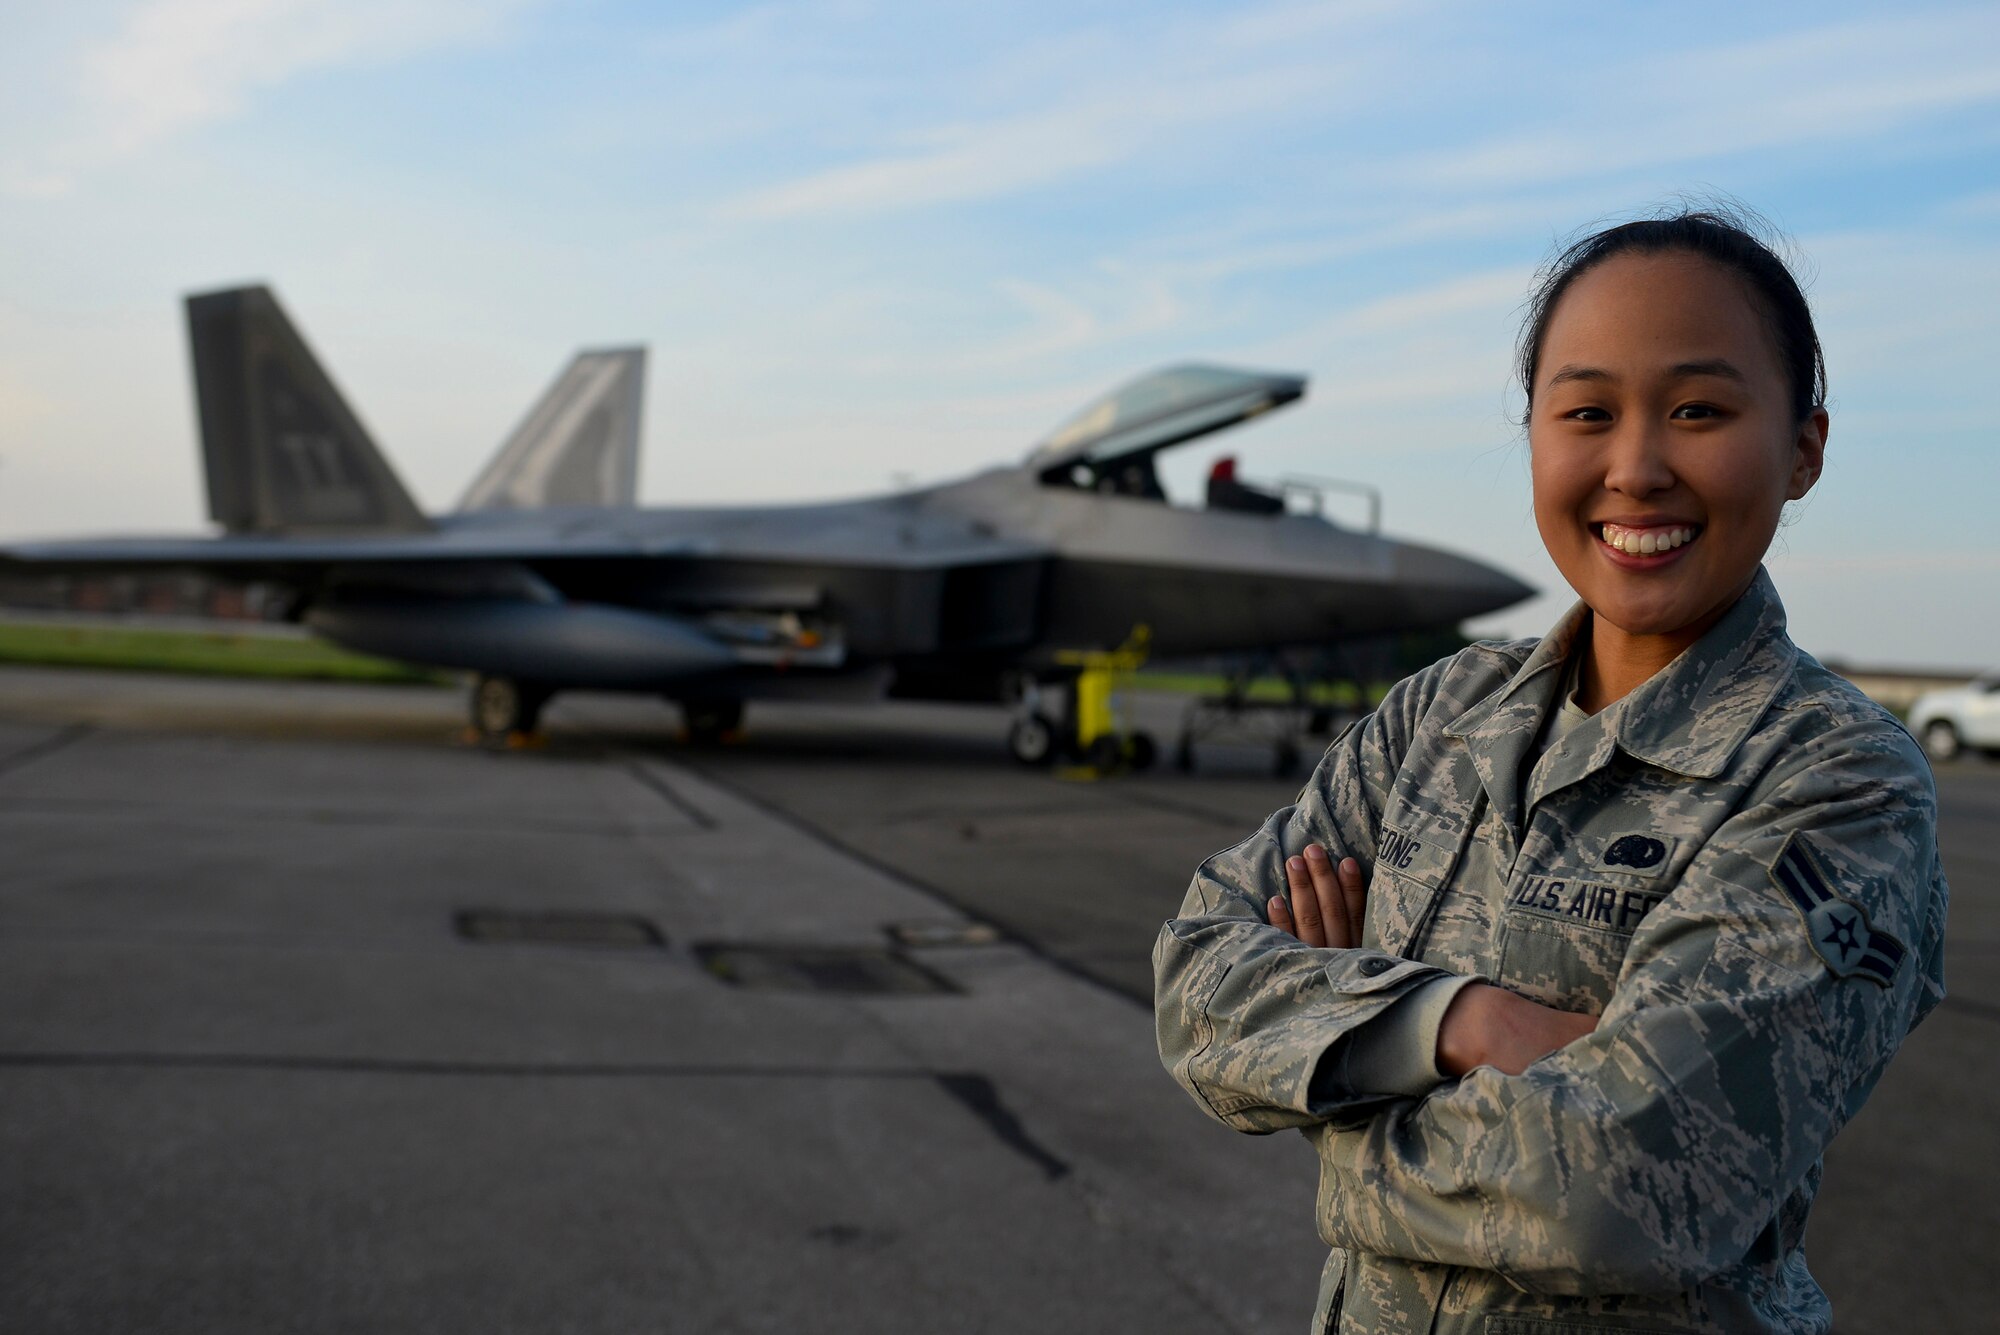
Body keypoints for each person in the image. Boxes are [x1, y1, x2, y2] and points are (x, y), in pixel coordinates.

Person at [1153, 207, 1949, 1335]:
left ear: (1802, 449)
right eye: (1585, 413)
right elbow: (1195, 978)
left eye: (1698, 412)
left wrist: (1332, 1099)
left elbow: (1621, 1195)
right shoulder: (1436, 717)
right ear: (1533, 434)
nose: (1635, 469)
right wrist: (1457, 1020)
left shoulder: (1835, 782)